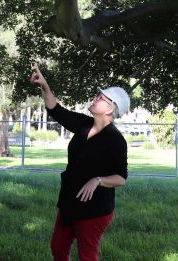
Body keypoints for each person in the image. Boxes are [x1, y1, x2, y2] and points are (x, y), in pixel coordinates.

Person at [30, 64, 129, 261]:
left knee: (87, 256)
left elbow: (121, 178)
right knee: (58, 248)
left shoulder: (115, 140)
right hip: (69, 201)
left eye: (101, 98)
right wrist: (44, 86)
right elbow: (56, 110)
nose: (96, 98)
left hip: (95, 208)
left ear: (110, 109)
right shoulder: (84, 124)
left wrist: (98, 180)